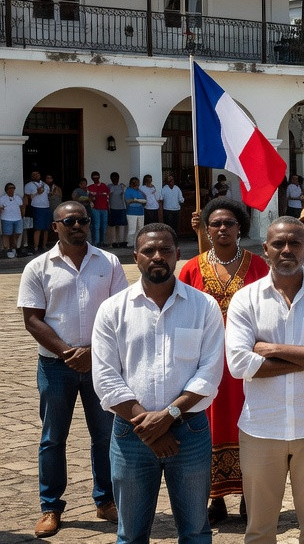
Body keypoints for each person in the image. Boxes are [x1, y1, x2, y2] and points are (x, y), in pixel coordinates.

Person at [91, 223, 225, 544]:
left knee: (195, 531)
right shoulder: (113, 309)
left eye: (165, 250)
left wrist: (168, 418)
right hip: (130, 434)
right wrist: (147, 426)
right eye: (149, 251)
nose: (157, 256)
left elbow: (209, 372)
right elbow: (106, 378)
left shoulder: (203, 307)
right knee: (131, 534)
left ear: (178, 255)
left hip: (189, 432)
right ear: (135, 257)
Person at [224, 218, 304, 544]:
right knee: (260, 529)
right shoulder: (246, 300)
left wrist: (271, 350)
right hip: (261, 427)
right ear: (265, 249)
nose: (287, 250)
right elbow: (239, 364)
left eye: (295, 243)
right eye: (279, 244)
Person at [19, 201, 128, 536]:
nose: (78, 225)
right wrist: (69, 353)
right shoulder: (38, 267)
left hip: (101, 365)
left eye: (83, 220)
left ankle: (105, 501)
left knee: (105, 436)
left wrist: (94, 353)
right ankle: (51, 507)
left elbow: (122, 314)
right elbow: (32, 320)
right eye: (70, 220)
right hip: (55, 366)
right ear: (56, 227)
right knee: (53, 438)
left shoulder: (108, 262)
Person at [179, 196, 270, 524]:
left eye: (229, 223)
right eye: (215, 223)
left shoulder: (259, 266)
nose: (222, 228)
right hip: (207, 366)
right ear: (206, 228)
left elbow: (269, 311)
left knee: (249, 429)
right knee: (210, 430)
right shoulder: (191, 267)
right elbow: (181, 314)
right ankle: (214, 499)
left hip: (246, 367)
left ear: (240, 228)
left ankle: (250, 497)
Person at [25, 170, 52, 254]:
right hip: (37, 207)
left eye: (37, 174)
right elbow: (28, 198)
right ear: (31, 176)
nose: (36, 175)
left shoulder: (45, 185)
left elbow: (48, 195)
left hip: (46, 207)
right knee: (38, 228)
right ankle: (36, 246)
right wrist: (37, 192)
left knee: (46, 228)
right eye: (34, 174)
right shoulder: (29, 185)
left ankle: (44, 246)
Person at [87, 171, 110, 248]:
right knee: (96, 226)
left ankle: (103, 241)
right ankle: (96, 242)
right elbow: (89, 197)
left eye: (97, 177)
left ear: (99, 177)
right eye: (94, 177)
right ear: (92, 178)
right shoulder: (89, 187)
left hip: (104, 208)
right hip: (95, 208)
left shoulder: (104, 186)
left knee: (104, 226)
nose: (96, 178)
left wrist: (96, 194)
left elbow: (107, 196)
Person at [2, 181, 23, 258]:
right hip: (6, 219)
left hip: (18, 218)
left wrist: (22, 216)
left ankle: (14, 247)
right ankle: (7, 249)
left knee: (18, 233)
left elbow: (21, 207)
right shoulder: (2, 198)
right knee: (7, 234)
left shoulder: (17, 197)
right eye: (10, 188)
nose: (12, 190)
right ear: (6, 190)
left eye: (13, 188)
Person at [107, 172, 128, 248]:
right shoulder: (109, 186)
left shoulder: (121, 186)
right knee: (113, 226)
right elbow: (107, 196)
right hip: (112, 208)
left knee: (121, 225)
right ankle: (114, 242)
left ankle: (121, 241)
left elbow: (124, 196)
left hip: (122, 208)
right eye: (113, 178)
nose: (115, 179)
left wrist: (123, 188)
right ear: (111, 179)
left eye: (116, 178)